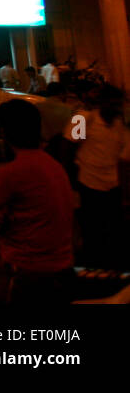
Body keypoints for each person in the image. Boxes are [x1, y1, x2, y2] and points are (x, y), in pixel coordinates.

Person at [0, 100, 75, 302]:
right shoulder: (54, 166)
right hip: (63, 265)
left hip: (25, 268)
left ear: (4, 132)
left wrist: (2, 223)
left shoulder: (11, 172)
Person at [64, 86, 130, 269]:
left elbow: (123, 160)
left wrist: (124, 194)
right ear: (102, 102)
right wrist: (70, 184)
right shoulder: (83, 119)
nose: (116, 108)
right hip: (87, 183)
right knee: (91, 232)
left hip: (112, 185)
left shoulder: (120, 125)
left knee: (112, 233)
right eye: (113, 104)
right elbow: (67, 148)